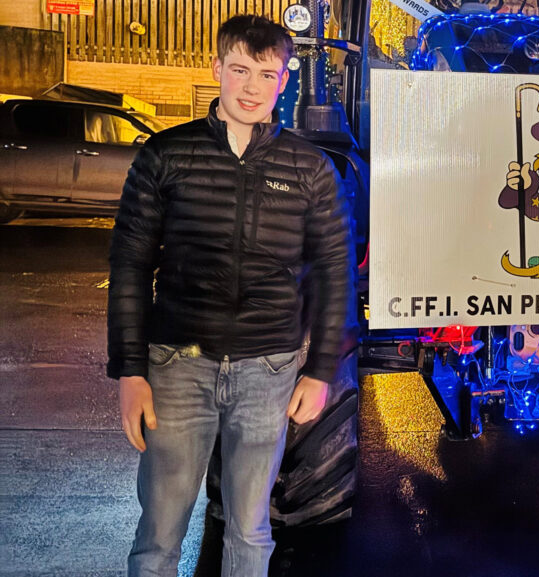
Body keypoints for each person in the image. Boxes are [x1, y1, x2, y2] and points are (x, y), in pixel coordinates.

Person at [107, 14, 354, 576]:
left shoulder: (311, 169)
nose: (250, 87)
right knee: (159, 536)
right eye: (239, 69)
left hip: (268, 373)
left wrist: (318, 372)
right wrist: (130, 371)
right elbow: (129, 265)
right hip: (177, 368)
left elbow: (334, 272)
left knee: (250, 532)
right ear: (216, 68)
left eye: (266, 74)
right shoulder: (166, 156)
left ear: (284, 80)